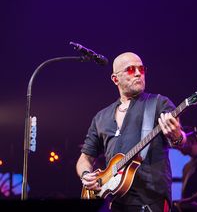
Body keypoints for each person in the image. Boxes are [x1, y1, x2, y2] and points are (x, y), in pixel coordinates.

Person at [76, 52, 186, 212]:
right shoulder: (101, 117)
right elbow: (85, 158)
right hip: (115, 203)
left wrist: (177, 136)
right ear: (115, 79)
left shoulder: (158, 103)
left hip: (152, 200)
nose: (138, 73)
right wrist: (86, 174)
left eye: (141, 69)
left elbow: (181, 142)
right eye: (130, 69)